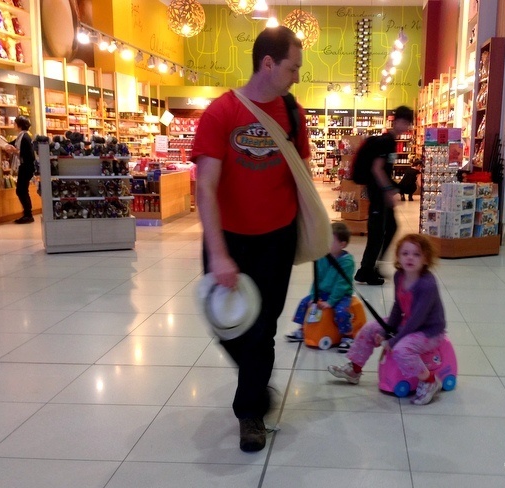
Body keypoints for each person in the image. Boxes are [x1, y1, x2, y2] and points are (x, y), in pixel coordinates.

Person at [191, 26, 309, 453]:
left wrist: (319, 236)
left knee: (263, 327)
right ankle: (257, 383)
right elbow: (205, 187)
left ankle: (250, 412)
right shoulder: (221, 113)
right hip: (229, 241)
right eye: (292, 67)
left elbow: (302, 179)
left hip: (276, 239)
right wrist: (219, 254)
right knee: (228, 325)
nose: (297, 75)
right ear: (268, 64)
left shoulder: (294, 115)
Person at [328, 233, 446, 405]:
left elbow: (417, 320)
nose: (410, 258)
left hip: (428, 330)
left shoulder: (427, 284)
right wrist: (386, 330)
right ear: (398, 257)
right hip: (408, 323)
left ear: (426, 259)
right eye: (405, 253)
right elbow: (398, 307)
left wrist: (394, 340)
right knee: (369, 329)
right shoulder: (400, 276)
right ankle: (354, 369)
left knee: (400, 349)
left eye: (416, 254)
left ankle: (430, 382)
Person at [354, 105, 414, 285]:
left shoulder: (391, 141)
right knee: (377, 232)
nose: (405, 126)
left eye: (408, 123)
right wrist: (388, 191)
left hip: (381, 192)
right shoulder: (386, 141)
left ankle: (375, 265)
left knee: (391, 227)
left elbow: (384, 170)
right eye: (402, 122)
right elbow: (377, 168)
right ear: (394, 121)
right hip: (378, 193)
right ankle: (366, 270)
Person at [286, 222, 355, 352]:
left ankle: (348, 335)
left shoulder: (347, 262)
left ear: (342, 244)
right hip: (322, 293)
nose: (326, 243)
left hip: (340, 295)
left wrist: (331, 302)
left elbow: (341, 285)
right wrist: (314, 296)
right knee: (304, 303)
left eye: (331, 241)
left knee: (341, 311)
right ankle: (302, 329)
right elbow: (316, 278)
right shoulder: (322, 257)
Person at [2, 116, 36, 224]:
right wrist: (5, 145)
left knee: (21, 190)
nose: (13, 125)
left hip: (26, 167)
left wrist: (16, 151)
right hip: (24, 167)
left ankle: (28, 214)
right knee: (22, 190)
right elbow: (12, 144)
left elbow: (29, 155)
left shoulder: (25, 137)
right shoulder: (21, 137)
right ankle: (27, 213)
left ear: (19, 125)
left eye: (15, 123)